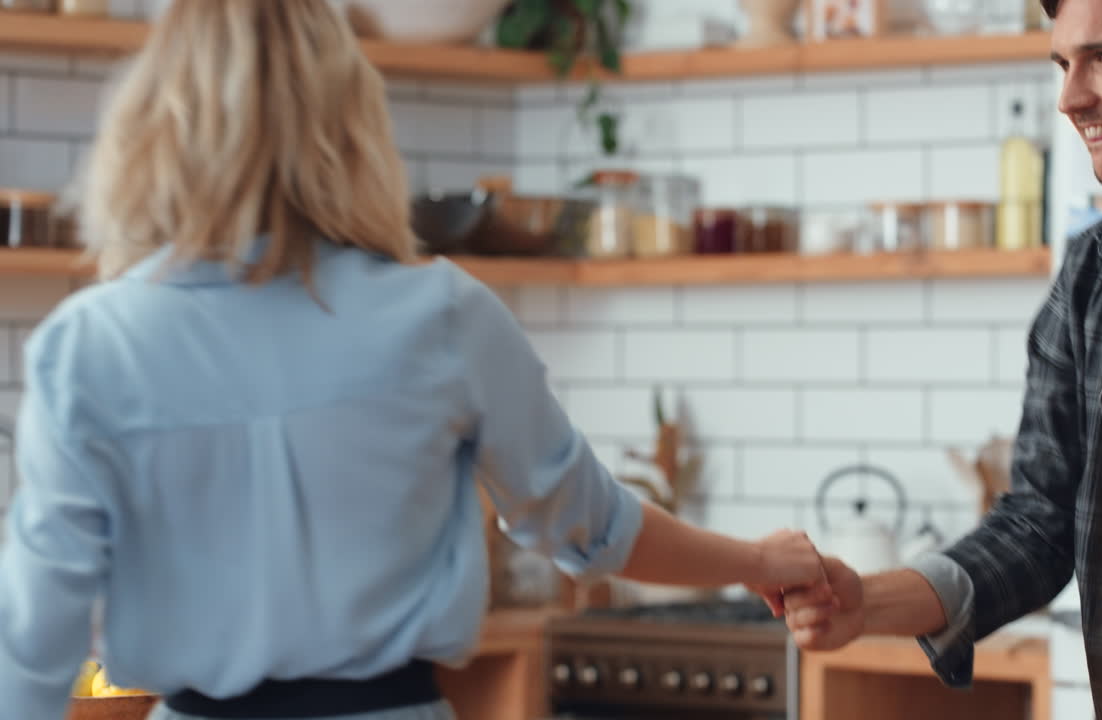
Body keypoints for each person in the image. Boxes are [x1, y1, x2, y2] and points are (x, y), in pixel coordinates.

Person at [0, 2, 831, 718]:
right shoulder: (442, 315)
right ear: (350, 121)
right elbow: (591, 526)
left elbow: (32, 641)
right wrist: (759, 562)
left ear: (152, 120)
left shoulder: (88, 345)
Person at [783, 0, 1102, 718]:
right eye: (1063, 64)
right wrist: (868, 601)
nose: (1070, 97)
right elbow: (1039, 521)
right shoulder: (1091, 280)